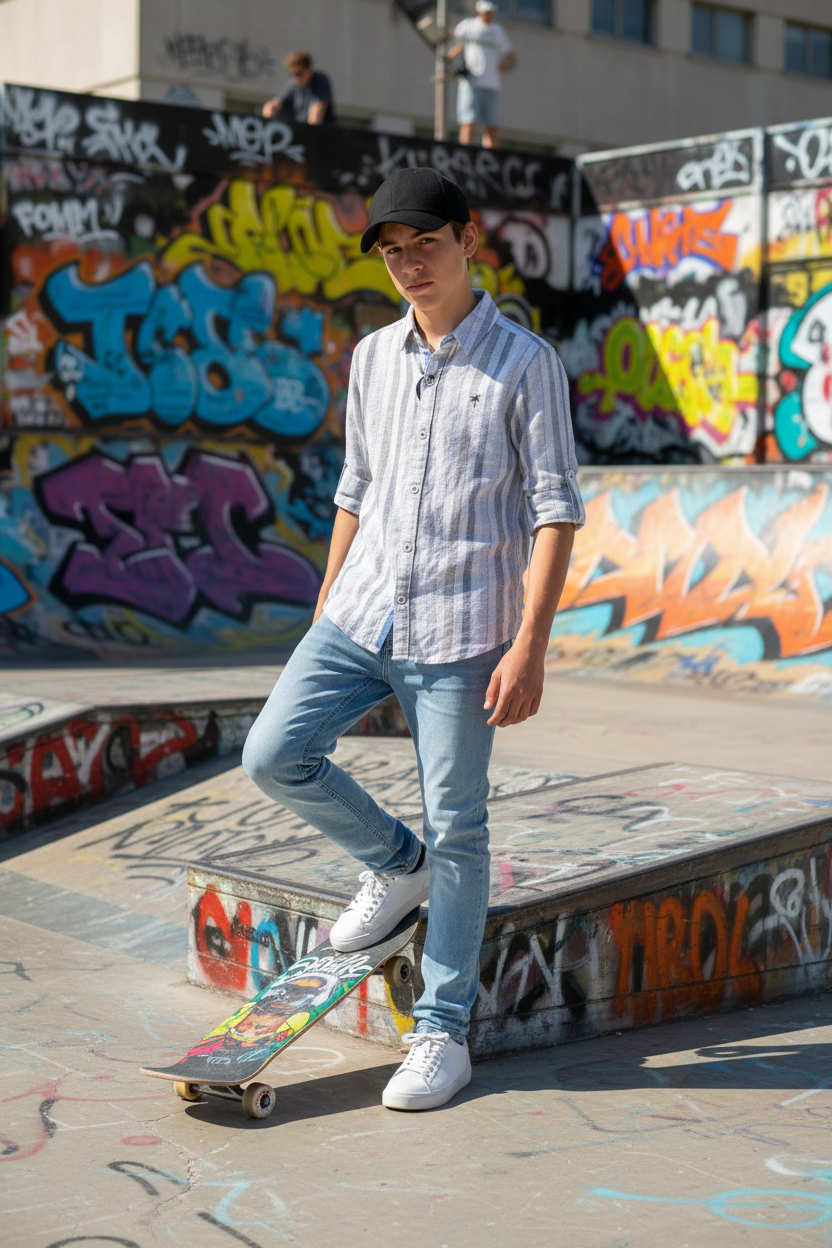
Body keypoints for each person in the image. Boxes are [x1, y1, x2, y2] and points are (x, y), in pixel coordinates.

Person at [242, 167, 584, 1112]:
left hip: (463, 629)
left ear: (469, 239)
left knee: (460, 827)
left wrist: (530, 643)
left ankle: (442, 1031)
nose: (408, 265)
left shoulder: (525, 364)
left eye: (424, 245)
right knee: (272, 753)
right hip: (360, 613)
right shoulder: (372, 358)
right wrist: (327, 596)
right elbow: (356, 485)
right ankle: (398, 866)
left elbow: (555, 509)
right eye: (392, 253)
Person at [448, 0, 515, 148]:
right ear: (479, 12)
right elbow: (454, 47)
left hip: (491, 84)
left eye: (490, 13)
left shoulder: (497, 31)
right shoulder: (467, 26)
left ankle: (490, 153)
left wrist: (507, 66)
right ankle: (466, 151)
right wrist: (450, 61)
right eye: (485, 12)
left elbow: (509, 55)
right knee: (468, 121)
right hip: (471, 82)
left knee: (491, 124)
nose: (488, 16)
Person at [262, 51, 335, 125]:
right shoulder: (293, 84)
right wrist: (270, 111)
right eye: (293, 74)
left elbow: (317, 112)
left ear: (309, 70)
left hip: (323, 130)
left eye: (299, 73)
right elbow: (275, 103)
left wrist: (307, 130)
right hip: (300, 128)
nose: (296, 78)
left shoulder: (320, 80)